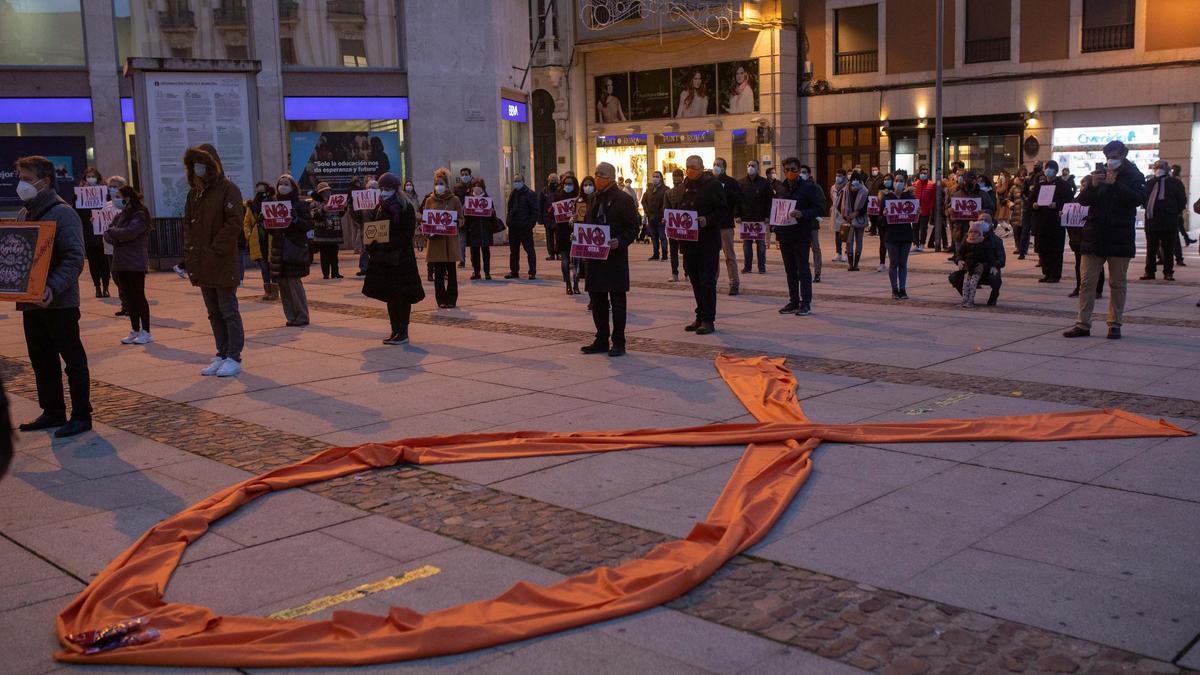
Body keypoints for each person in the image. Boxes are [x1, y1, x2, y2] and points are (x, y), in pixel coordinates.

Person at [13, 155, 91, 437]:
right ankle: (53, 411)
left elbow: (74, 257)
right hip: (31, 303)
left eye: (25, 178)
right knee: (41, 359)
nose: (21, 184)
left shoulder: (63, 213)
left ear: (44, 182)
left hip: (59, 302)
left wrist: (52, 287)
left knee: (72, 359)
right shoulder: (24, 214)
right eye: (19, 178)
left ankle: (82, 414)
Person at [1064, 140, 1146, 340]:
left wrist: (1116, 184)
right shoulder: (1097, 176)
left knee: (1117, 283)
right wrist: (1092, 187)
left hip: (1120, 237)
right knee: (1087, 283)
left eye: (1116, 156)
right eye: (1109, 156)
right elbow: (1080, 202)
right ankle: (1083, 324)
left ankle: (1115, 324)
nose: (1112, 160)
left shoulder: (1134, 175)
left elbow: (1138, 199)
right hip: (1094, 236)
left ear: (1124, 155)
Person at [183, 144, 245, 378]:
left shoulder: (228, 189)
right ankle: (221, 352)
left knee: (228, 309)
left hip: (221, 261)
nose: (197, 169)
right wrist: (191, 252)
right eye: (193, 166)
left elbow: (234, 223)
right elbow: (188, 224)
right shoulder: (195, 193)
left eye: (200, 164)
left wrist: (215, 249)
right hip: (202, 262)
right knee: (213, 312)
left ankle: (234, 355)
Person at [580, 162, 638, 357]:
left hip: (614, 258)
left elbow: (633, 228)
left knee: (618, 300)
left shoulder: (623, 199)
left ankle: (619, 341)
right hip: (594, 258)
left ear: (611, 177)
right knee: (597, 300)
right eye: (595, 173)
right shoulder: (592, 198)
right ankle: (601, 339)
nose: (597, 177)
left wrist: (620, 241)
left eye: (601, 174)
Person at [361, 172, 424, 345]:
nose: (383, 192)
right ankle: (394, 329)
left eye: (387, 189)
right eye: (382, 189)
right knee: (390, 296)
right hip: (384, 259)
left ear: (395, 189)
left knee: (401, 296)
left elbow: (406, 235)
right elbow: (373, 230)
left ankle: (403, 331)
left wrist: (387, 243)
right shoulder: (379, 208)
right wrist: (372, 244)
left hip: (401, 259)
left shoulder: (406, 208)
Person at [676, 155, 726, 334]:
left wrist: (708, 219)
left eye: (693, 167)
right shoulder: (683, 186)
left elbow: (723, 210)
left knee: (707, 281)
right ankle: (700, 315)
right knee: (695, 281)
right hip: (689, 243)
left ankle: (708, 319)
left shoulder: (712, 185)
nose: (690, 170)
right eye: (687, 167)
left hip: (707, 242)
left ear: (702, 168)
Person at [773, 157, 826, 316]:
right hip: (784, 234)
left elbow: (820, 208)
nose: (790, 172)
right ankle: (793, 301)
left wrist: (802, 214)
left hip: (801, 234)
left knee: (803, 268)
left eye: (793, 169)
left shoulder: (808, 188)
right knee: (790, 270)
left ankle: (806, 302)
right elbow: (776, 207)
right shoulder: (781, 188)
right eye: (787, 169)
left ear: (799, 170)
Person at [104, 184, 152, 345]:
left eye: (119, 196)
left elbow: (130, 232)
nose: (116, 199)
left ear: (128, 197)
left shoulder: (140, 214)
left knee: (138, 295)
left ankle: (146, 331)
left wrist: (115, 233)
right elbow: (107, 234)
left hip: (135, 261)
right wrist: (116, 234)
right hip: (121, 261)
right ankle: (135, 329)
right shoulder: (121, 215)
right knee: (128, 297)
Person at [269, 173, 312, 328]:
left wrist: (295, 219)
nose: (283, 186)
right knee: (283, 285)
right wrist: (264, 222)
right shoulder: (273, 205)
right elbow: (272, 230)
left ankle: (302, 315)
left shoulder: (301, 205)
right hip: (279, 249)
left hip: (294, 248)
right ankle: (291, 316)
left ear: (293, 187)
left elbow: (307, 224)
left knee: (294, 284)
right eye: (281, 183)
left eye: (286, 183)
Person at [423, 167, 464, 308]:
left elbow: (461, 218)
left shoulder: (454, 200)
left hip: (449, 241)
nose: (438, 186)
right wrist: (426, 227)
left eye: (441, 183)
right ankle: (440, 299)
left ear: (447, 184)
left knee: (451, 271)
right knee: (438, 273)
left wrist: (456, 222)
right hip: (436, 242)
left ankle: (452, 299)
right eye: (436, 183)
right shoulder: (429, 200)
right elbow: (426, 218)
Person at [1140, 159, 1186, 282]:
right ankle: (1149, 271)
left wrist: (1173, 211)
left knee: (1168, 248)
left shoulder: (1175, 183)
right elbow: (1144, 198)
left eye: (1161, 167)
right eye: (1156, 167)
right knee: (1151, 248)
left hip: (1168, 220)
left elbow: (1181, 200)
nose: (1158, 169)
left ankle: (1168, 272)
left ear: (1167, 169)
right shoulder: (1150, 183)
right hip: (1152, 220)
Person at [950, 217, 1005, 308]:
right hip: (970, 268)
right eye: (980, 219)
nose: (982, 221)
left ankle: (993, 297)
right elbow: (959, 253)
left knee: (995, 279)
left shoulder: (995, 240)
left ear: (991, 224)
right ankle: (966, 299)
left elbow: (1000, 260)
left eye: (985, 220)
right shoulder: (968, 237)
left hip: (987, 271)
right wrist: (959, 261)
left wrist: (985, 266)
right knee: (955, 278)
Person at [1030, 161, 1071, 283]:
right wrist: (1034, 204)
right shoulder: (1039, 186)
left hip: (1056, 222)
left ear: (1056, 171)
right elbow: (1030, 200)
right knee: (1043, 249)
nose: (1049, 170)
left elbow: (1069, 200)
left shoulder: (1063, 185)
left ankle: (1055, 274)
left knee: (1055, 249)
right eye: (1047, 168)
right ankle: (1046, 272)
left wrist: (1057, 204)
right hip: (1042, 221)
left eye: (1051, 168)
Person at [74, 166, 112, 299]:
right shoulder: (79, 194)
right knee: (93, 262)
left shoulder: (105, 192)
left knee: (104, 261)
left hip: (103, 231)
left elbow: (111, 209)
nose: (91, 179)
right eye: (88, 176)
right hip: (88, 232)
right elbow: (76, 212)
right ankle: (97, 286)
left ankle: (106, 286)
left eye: (93, 176)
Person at [1068, 175, 1104, 300]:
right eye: (1082, 185)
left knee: (1096, 264)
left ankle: (1097, 289)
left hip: (1090, 236)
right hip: (1077, 238)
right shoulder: (1077, 199)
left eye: (1085, 185)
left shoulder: (1095, 199)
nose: (1083, 188)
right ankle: (1079, 286)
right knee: (1079, 264)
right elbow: (1069, 214)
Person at [712, 158, 742, 295]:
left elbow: (738, 199)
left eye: (718, 165)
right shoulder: (709, 182)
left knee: (729, 255)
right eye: (714, 164)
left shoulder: (731, 182)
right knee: (712, 255)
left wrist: (725, 192)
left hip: (726, 224)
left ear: (724, 167)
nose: (716, 167)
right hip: (712, 224)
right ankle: (712, 281)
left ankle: (734, 282)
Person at [244, 182, 278, 301]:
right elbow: (247, 223)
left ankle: (274, 291)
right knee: (264, 267)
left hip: (271, 237)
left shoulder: (273, 203)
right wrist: (248, 235)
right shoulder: (252, 206)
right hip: (258, 239)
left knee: (272, 265)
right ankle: (267, 291)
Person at [882, 174, 915, 298]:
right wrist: (884, 215)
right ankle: (894, 289)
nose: (898, 183)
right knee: (894, 262)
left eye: (901, 181)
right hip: (891, 235)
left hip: (905, 234)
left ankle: (903, 289)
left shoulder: (909, 198)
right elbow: (879, 220)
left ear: (905, 183)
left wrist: (917, 212)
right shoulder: (887, 198)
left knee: (903, 263)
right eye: (896, 181)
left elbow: (914, 215)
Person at [739, 160, 772, 274]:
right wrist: (737, 215)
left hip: (760, 218)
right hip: (746, 219)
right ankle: (747, 266)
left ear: (758, 168)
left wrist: (768, 216)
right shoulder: (741, 182)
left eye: (753, 166)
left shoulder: (764, 183)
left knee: (761, 245)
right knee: (746, 245)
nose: (750, 167)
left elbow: (769, 201)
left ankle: (761, 266)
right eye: (748, 165)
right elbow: (737, 200)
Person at [505, 173, 539, 280]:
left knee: (529, 250)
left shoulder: (530, 194)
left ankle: (532, 271)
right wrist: (509, 221)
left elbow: (535, 211)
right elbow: (509, 208)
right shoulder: (513, 193)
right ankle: (514, 271)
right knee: (514, 251)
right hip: (513, 227)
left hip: (525, 227)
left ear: (523, 181)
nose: (516, 183)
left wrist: (530, 224)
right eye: (515, 181)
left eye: (518, 181)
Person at [463, 178, 496, 280]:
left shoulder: (487, 199)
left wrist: (492, 212)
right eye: (475, 186)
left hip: (485, 229)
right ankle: (476, 272)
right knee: (474, 252)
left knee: (486, 252)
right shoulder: (469, 199)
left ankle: (487, 272)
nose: (477, 188)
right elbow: (465, 219)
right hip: (473, 230)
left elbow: (493, 217)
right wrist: (464, 211)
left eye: (479, 186)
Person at [554, 174, 582, 294]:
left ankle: (575, 283)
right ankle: (568, 284)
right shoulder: (559, 197)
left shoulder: (579, 198)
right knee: (565, 258)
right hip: (563, 231)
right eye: (566, 183)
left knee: (577, 259)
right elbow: (552, 213)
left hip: (577, 231)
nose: (568, 186)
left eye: (570, 184)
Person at [311, 182, 344, 279]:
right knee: (324, 255)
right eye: (325, 191)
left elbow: (340, 215)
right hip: (323, 234)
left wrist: (343, 208)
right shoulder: (315, 203)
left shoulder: (335, 201)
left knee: (334, 255)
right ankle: (325, 274)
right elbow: (314, 216)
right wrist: (323, 210)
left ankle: (335, 273)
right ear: (320, 192)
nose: (327, 192)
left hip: (334, 232)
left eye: (328, 190)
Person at [840, 172, 869, 271]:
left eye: (857, 179)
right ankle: (850, 264)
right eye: (853, 179)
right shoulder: (846, 190)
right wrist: (846, 216)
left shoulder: (864, 191)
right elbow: (841, 204)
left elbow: (866, 206)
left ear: (860, 180)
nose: (855, 181)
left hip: (860, 219)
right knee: (849, 242)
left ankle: (856, 264)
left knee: (859, 241)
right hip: (848, 219)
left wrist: (856, 213)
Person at [641, 170, 669, 262]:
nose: (655, 178)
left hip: (660, 217)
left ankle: (665, 254)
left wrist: (662, 213)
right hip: (651, 217)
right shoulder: (649, 189)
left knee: (662, 236)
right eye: (654, 176)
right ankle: (656, 254)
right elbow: (643, 201)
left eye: (657, 176)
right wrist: (647, 211)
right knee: (653, 236)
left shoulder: (665, 189)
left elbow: (666, 203)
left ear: (661, 178)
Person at [665, 168, 687, 283]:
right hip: (674, 225)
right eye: (674, 175)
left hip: (684, 225)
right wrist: (665, 218)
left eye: (678, 175)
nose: (676, 178)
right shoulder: (669, 193)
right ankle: (675, 273)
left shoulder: (687, 191)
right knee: (674, 251)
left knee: (684, 251)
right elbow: (666, 209)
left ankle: (686, 273)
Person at [912, 166, 935, 252]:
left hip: (925, 211)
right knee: (915, 227)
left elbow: (933, 198)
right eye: (922, 173)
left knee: (923, 228)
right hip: (915, 210)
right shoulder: (915, 184)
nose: (923, 175)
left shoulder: (931, 185)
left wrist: (929, 208)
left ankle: (922, 243)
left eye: (925, 173)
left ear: (928, 174)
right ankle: (915, 243)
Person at [454, 168, 473, 267]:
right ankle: (462, 260)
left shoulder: (475, 186)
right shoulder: (457, 188)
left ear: (470, 175)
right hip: (462, 218)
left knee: (474, 242)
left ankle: (474, 261)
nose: (464, 176)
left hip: (473, 218)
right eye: (462, 174)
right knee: (461, 241)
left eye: (466, 174)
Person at [540, 172, 561, 261]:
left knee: (559, 236)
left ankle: (559, 253)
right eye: (551, 179)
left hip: (558, 218)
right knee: (549, 237)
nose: (553, 181)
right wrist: (540, 218)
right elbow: (540, 204)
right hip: (548, 218)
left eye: (554, 179)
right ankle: (551, 253)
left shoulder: (560, 190)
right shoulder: (544, 191)